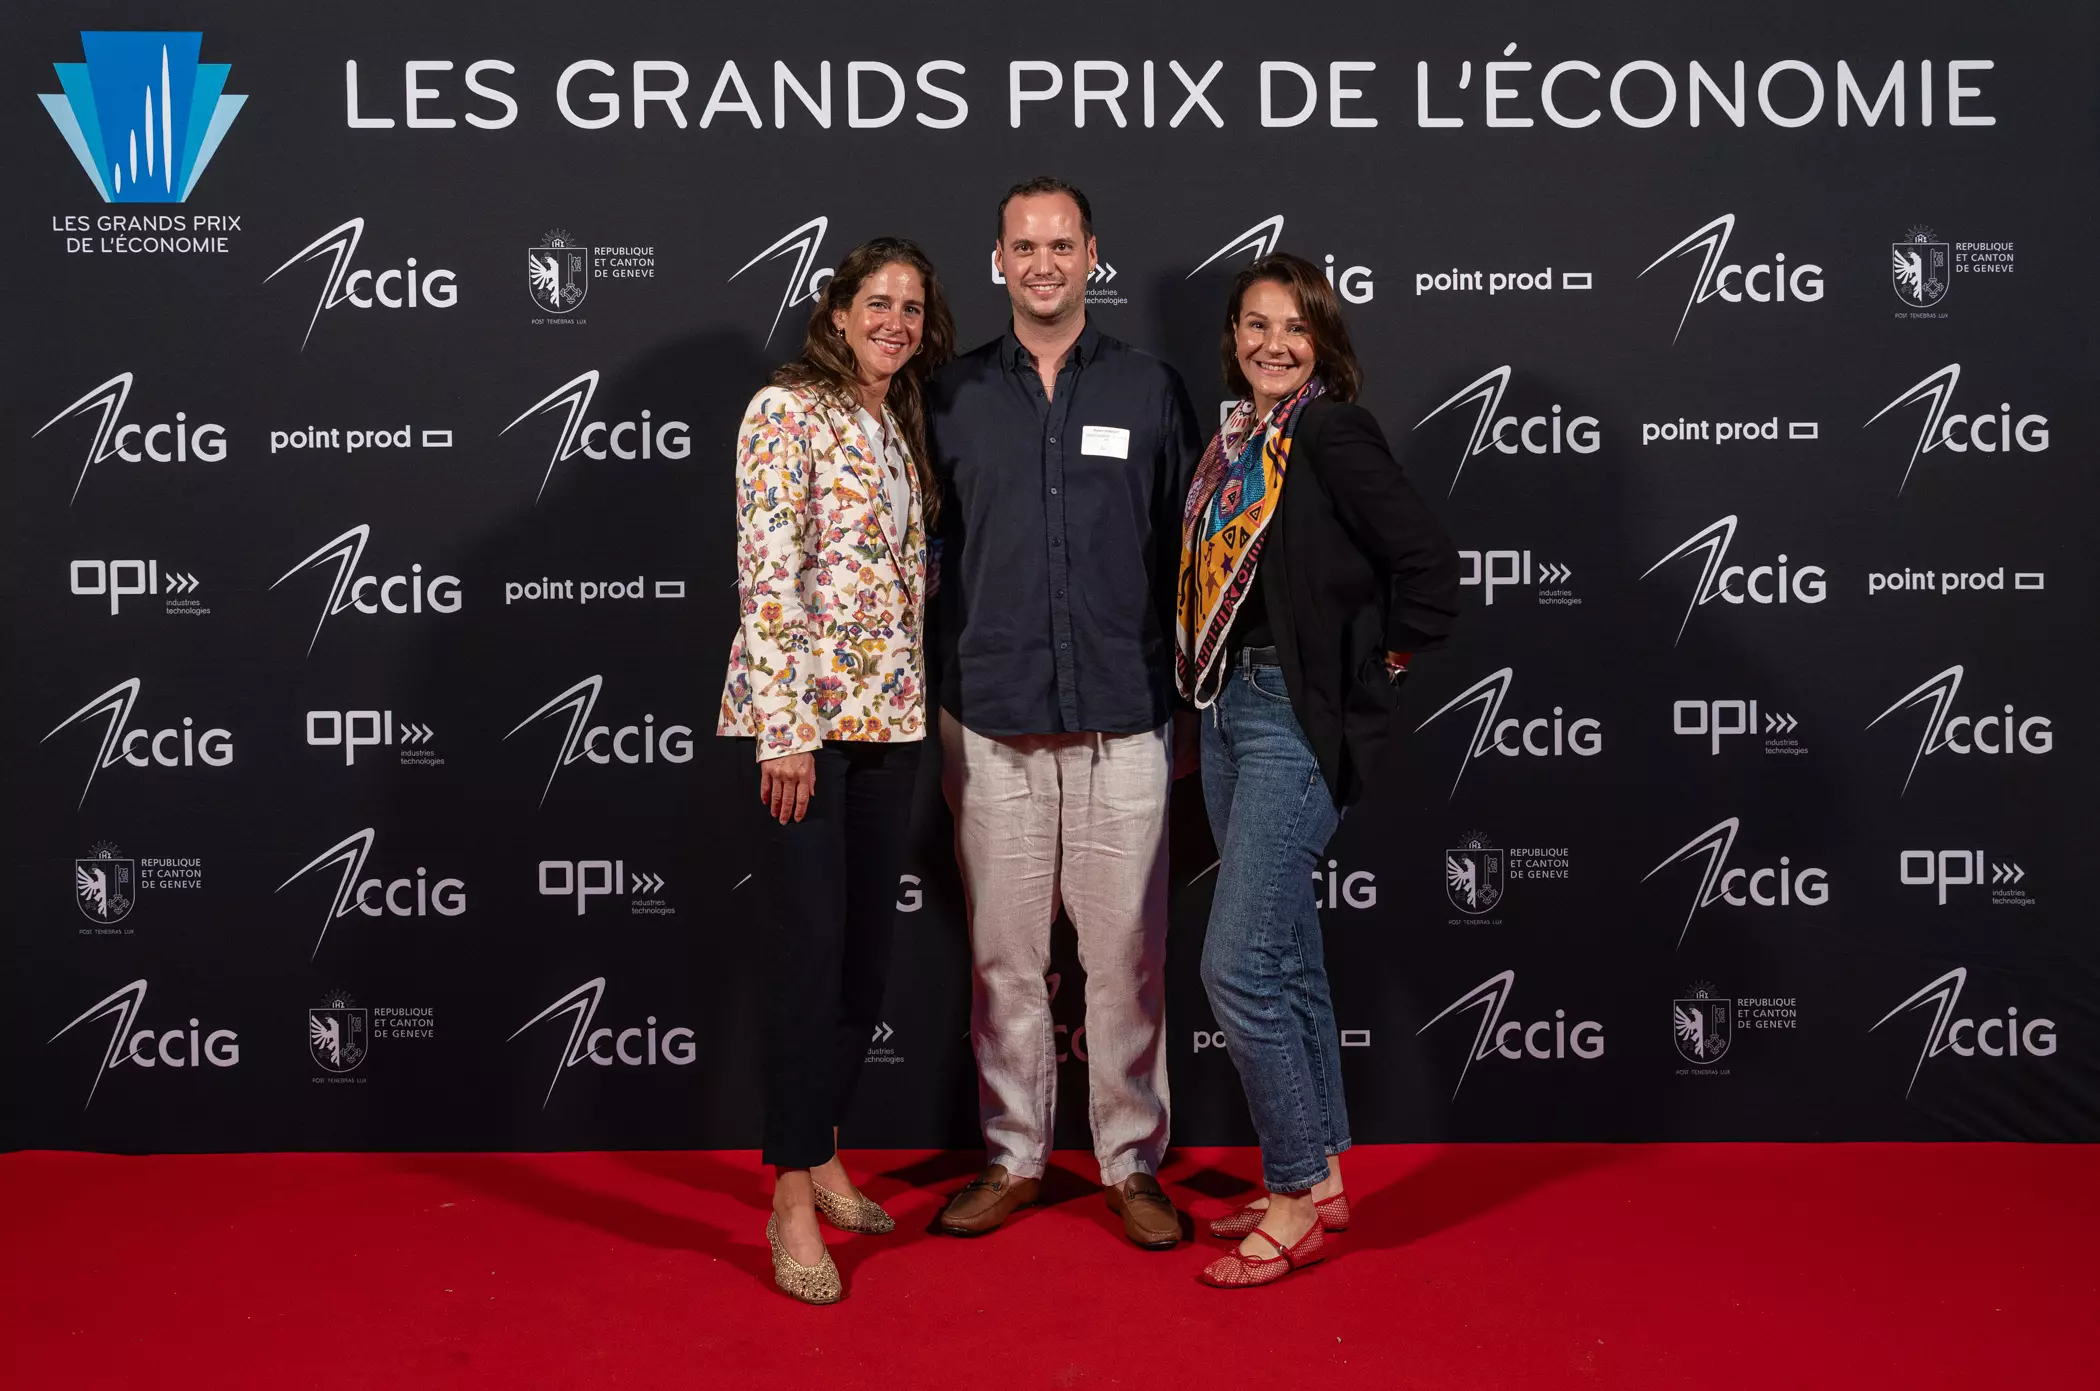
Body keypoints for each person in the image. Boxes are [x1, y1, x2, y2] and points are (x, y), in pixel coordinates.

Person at [927, 177, 1202, 1250]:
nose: (1043, 264)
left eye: (1061, 245)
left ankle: (1132, 1161)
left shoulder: (1150, 387)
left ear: (1092, 254)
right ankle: (1013, 1154)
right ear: (998, 259)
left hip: (1124, 714)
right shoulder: (948, 396)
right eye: (1023, 246)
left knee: (1127, 955)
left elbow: (1190, 558)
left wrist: (1191, 704)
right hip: (990, 715)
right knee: (1004, 957)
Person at [1178, 253, 1459, 1288]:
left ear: (1322, 339)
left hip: (1290, 721)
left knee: (1238, 965)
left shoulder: (1331, 431)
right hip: (1223, 710)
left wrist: (1373, 670)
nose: (1273, 343)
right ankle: (1327, 1174)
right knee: (1289, 956)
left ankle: (1293, 1194)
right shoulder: (1235, 446)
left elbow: (1429, 569)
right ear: (1234, 338)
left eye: (1294, 326)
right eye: (1256, 324)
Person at [718, 237, 955, 1304]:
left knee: (864, 957)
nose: (895, 321)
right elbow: (767, 574)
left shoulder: (897, 420)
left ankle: (821, 1148)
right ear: (839, 310)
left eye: (912, 307)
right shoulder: (785, 409)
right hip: (806, 731)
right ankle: (789, 1195)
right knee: (809, 957)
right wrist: (784, 729)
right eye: (879, 302)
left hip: (890, 723)